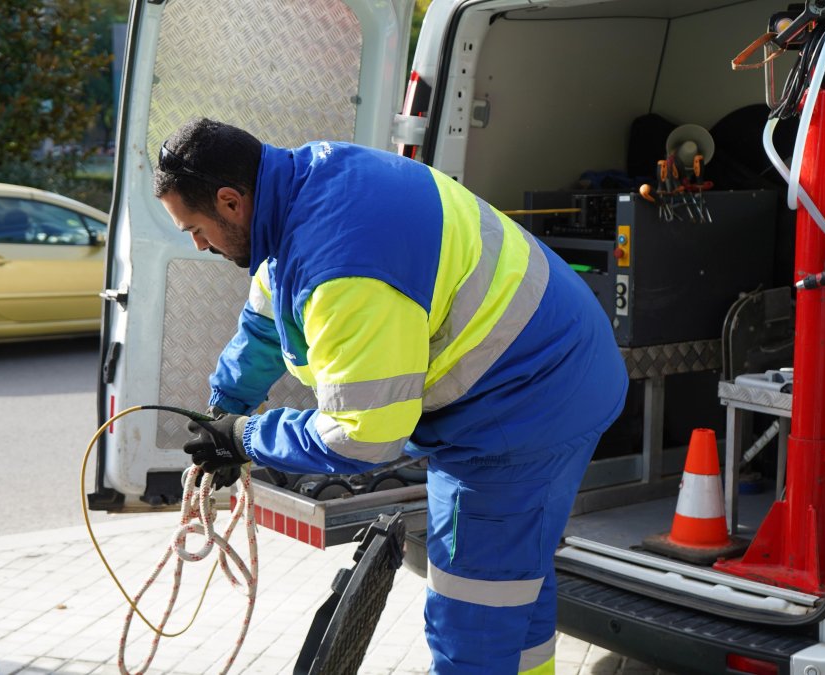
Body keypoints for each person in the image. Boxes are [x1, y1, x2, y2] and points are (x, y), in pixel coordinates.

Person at [156, 118, 628, 674]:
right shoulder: (303, 185)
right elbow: (264, 323)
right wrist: (225, 406)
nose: (198, 244)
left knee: (472, 615)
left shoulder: (342, 267)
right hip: (558, 367)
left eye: (195, 228)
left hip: (525, 405)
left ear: (231, 201)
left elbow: (365, 438)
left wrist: (247, 437)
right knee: (512, 584)